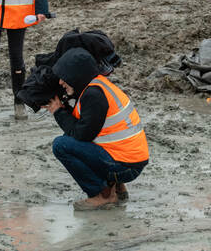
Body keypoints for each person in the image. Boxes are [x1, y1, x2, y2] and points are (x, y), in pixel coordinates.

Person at [46, 47, 149, 211]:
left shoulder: (93, 95)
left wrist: (58, 112)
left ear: (76, 75)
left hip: (126, 166)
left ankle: (103, 195)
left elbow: (81, 135)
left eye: (64, 78)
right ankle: (117, 188)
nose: (61, 82)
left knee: (62, 145)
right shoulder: (98, 84)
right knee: (75, 141)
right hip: (131, 159)